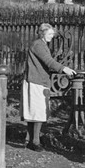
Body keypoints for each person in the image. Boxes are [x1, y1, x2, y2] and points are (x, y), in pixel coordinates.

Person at [21, 23, 76, 151]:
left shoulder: (41, 44)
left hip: (37, 80)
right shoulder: (38, 45)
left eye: (52, 34)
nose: (52, 36)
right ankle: (35, 142)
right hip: (36, 81)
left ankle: (30, 140)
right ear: (42, 33)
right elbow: (49, 61)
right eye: (50, 34)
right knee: (38, 111)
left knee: (34, 111)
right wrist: (64, 69)